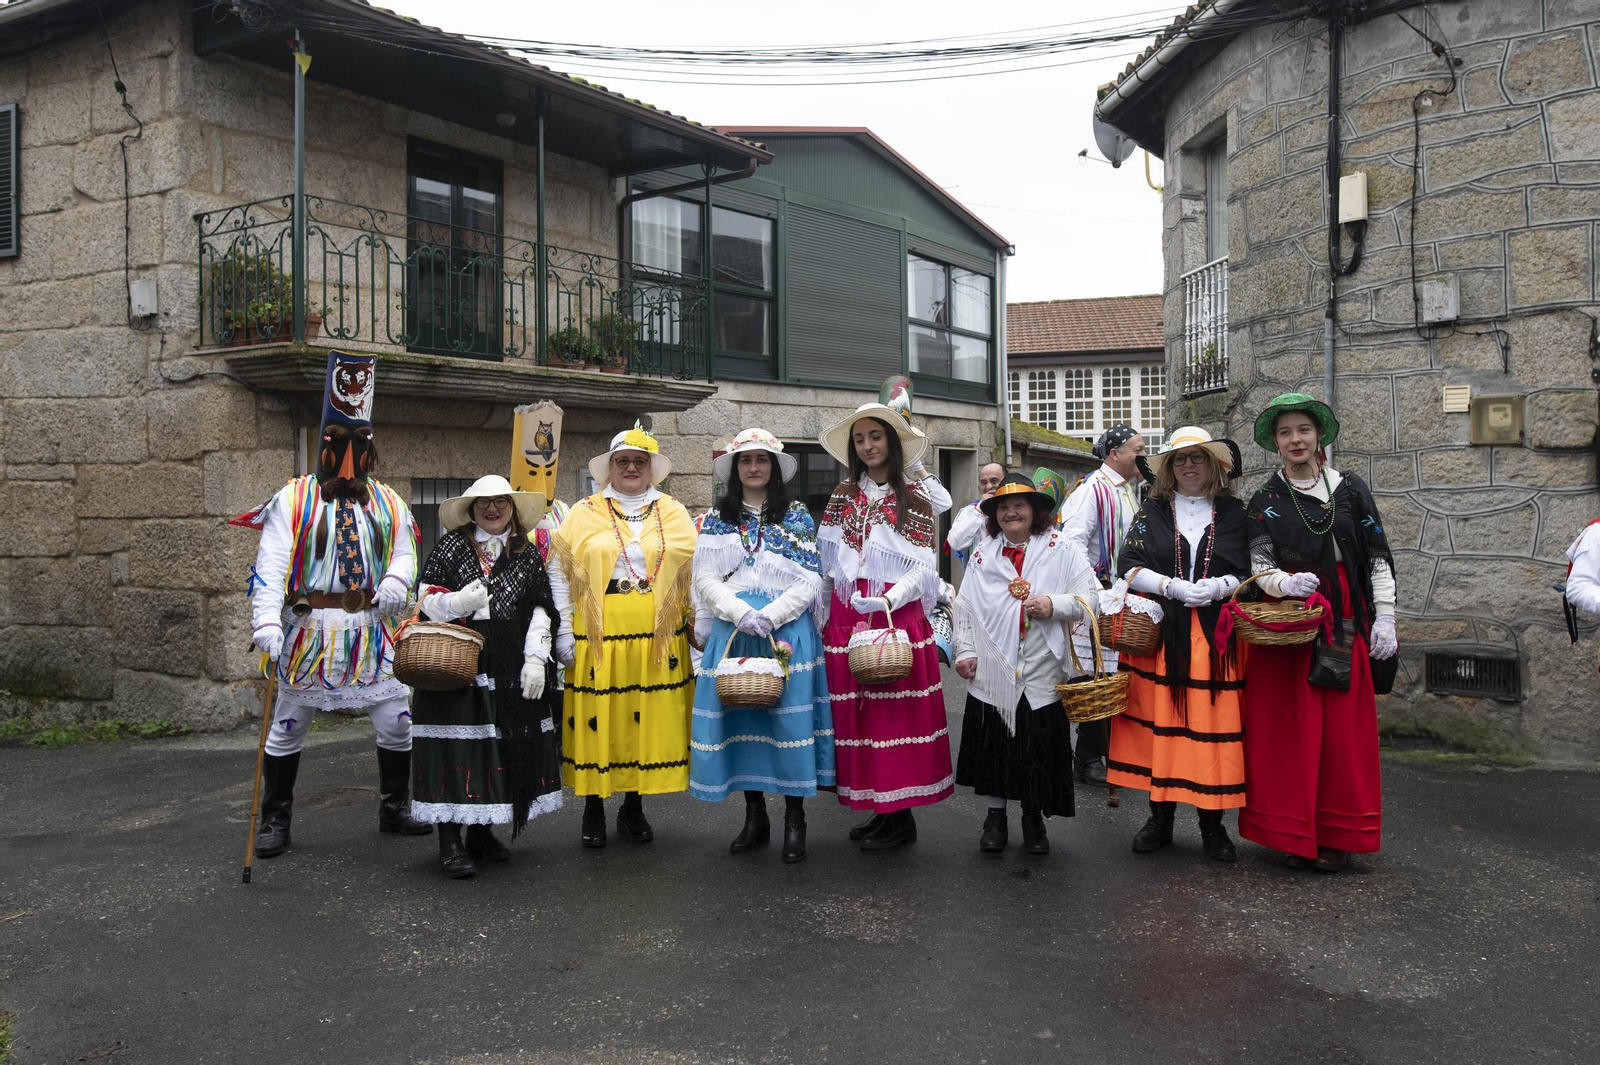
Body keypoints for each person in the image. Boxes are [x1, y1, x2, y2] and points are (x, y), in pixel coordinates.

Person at [233, 351, 429, 858]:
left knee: (396, 720)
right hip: (309, 629)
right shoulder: (293, 499)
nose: (348, 456)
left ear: (371, 448)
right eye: (338, 443)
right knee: (288, 725)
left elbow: (406, 550)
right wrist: (265, 621)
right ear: (322, 444)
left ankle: (395, 808)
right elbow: (271, 564)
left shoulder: (389, 500)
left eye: (360, 444)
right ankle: (275, 820)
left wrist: (395, 580)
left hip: (371, 628)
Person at [1239, 394, 1396, 872]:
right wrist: (1283, 584)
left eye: (1303, 430)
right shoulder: (1264, 500)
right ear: (1275, 442)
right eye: (1285, 432)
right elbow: (1260, 565)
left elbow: (1377, 555)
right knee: (1291, 734)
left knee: (1343, 735)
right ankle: (1292, 832)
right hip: (1291, 625)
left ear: (1319, 435)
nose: (1295, 440)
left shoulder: (1350, 489)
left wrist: (1386, 616)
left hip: (1345, 620)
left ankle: (1337, 835)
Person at [547, 423, 696, 847]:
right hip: (599, 633)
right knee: (599, 719)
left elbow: (695, 571)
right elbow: (559, 573)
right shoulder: (584, 512)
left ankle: (633, 806)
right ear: (609, 468)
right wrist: (562, 629)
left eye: (639, 461)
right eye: (622, 461)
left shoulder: (673, 511)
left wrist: (699, 622)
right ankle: (593, 808)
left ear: (651, 468)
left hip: (656, 635)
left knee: (640, 720)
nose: (631, 468)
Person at [689, 428, 833, 863]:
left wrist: (772, 615)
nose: (754, 467)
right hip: (734, 630)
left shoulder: (796, 516)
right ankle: (755, 817)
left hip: (785, 629)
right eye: (746, 460)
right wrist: (740, 613)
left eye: (762, 460)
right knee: (743, 722)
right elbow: (704, 577)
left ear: (774, 467)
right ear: (736, 469)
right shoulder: (718, 516)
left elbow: (810, 579)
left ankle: (795, 819)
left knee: (787, 726)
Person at [1109, 426, 1250, 862]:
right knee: (1161, 727)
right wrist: (1170, 586)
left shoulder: (1234, 513)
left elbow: (1249, 569)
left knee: (1210, 729)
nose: (1189, 465)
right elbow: (1127, 565)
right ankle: (1160, 818)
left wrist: (1219, 586)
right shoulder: (1152, 510)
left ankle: (1212, 824)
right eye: (1180, 459)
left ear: (1213, 464)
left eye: (1198, 457)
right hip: (1160, 635)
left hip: (1213, 637)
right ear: (1169, 467)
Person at [409, 475, 561, 878]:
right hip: (459, 659)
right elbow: (423, 601)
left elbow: (542, 607)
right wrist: (458, 602)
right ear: (472, 509)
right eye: (483, 503)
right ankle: (449, 840)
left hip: (511, 659)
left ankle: (480, 831)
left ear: (512, 508)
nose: (492, 509)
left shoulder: (525, 553)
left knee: (499, 746)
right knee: (455, 749)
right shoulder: (452, 546)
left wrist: (536, 657)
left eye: (500, 503)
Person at [817, 401, 952, 849]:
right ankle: (882, 808)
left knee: (894, 716)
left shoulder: (913, 497)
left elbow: (923, 567)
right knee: (861, 718)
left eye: (875, 436)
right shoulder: (843, 495)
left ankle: (901, 816)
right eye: (860, 439)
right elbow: (829, 563)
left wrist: (890, 598)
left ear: (892, 442)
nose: (867, 446)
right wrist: (823, 613)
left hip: (896, 612)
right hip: (848, 616)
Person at [952, 473, 1099, 855]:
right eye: (1003, 507)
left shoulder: (1061, 548)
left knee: (1037, 748)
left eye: (1019, 505)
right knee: (996, 745)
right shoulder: (983, 554)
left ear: (1035, 510)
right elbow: (965, 608)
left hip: (1041, 669)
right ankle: (995, 817)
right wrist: (965, 651)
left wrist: (1054, 604)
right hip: (993, 667)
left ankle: (1033, 818)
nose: (1011, 513)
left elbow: (1091, 599)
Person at [1058, 423, 1146, 787]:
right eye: (1138, 450)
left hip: (1120, 594)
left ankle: (1104, 751)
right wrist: (1095, 589)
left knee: (1114, 673)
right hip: (1099, 595)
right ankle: (1087, 756)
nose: (1144, 456)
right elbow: (1073, 541)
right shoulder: (1091, 490)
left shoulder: (1125, 490)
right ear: (1115, 453)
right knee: (1096, 674)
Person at [945, 461, 1006, 560]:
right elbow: (956, 544)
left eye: (994, 481)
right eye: (984, 482)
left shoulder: (1014, 511)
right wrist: (980, 511)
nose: (988, 487)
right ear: (979, 487)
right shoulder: (969, 512)